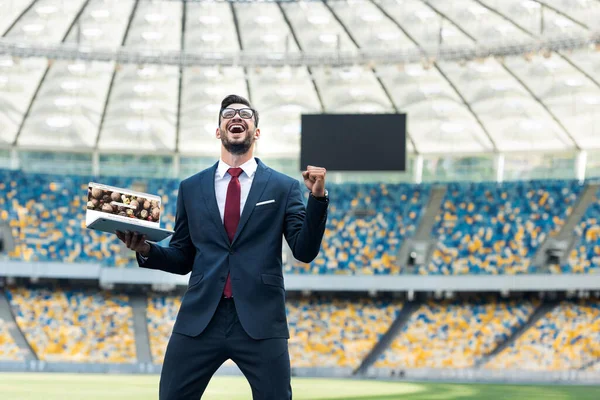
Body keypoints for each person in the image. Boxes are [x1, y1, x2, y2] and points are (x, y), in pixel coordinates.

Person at [116, 94, 329, 400]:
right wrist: (146, 250)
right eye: (228, 114)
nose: (236, 117)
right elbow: (182, 256)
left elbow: (304, 251)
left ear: (256, 131)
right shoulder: (191, 187)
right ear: (219, 130)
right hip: (201, 317)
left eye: (245, 114)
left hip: (260, 319)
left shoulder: (284, 187)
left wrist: (317, 200)